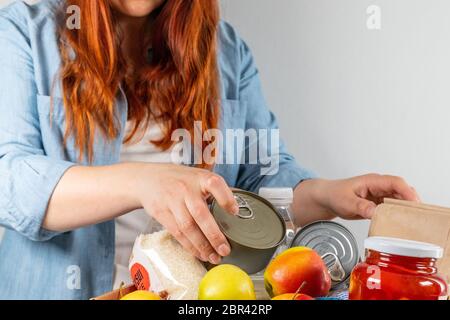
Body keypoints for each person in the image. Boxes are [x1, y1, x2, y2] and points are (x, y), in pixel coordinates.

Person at [0, 0, 419, 299]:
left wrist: (327, 194)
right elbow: (10, 180)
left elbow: (260, 180)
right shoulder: (22, 31)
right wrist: (142, 183)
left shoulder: (226, 51)